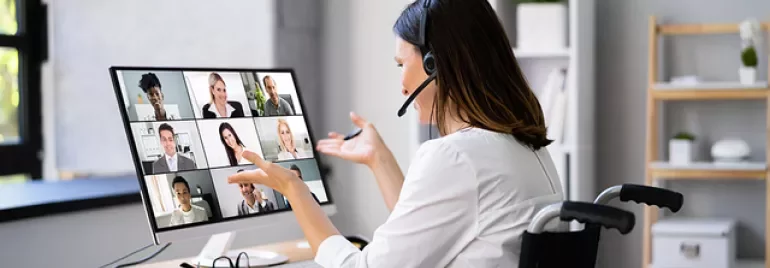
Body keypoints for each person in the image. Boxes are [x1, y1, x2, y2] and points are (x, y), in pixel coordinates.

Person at [228, 0, 566, 267]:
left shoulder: (457, 157)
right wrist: (380, 160)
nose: (402, 85)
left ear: (435, 65)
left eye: (402, 64)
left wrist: (295, 190)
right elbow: (427, 233)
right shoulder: (525, 149)